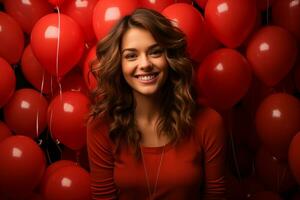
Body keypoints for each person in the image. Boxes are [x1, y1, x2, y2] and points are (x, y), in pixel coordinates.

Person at [87, 8, 226, 200]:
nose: (145, 64)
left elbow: (215, 196)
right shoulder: (101, 127)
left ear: (170, 58)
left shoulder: (208, 122)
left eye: (155, 52)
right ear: (118, 64)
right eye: (131, 55)